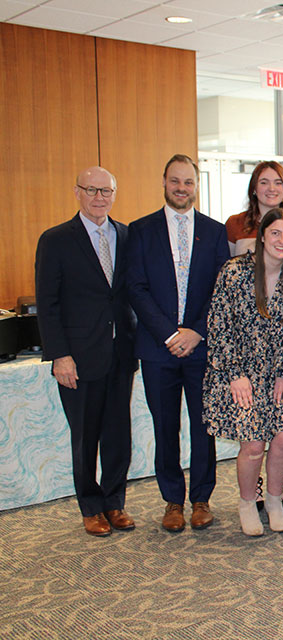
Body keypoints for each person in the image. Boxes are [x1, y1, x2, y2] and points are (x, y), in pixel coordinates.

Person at [127, 154, 230, 532]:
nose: (182, 188)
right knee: (165, 426)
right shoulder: (140, 230)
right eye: (175, 181)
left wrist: (196, 331)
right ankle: (173, 500)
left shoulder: (215, 232)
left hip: (202, 348)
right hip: (158, 349)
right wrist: (169, 334)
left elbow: (221, 291)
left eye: (188, 182)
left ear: (197, 185)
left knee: (204, 426)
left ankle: (201, 498)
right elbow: (135, 288)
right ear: (164, 182)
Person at [35, 166, 138, 537]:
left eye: (106, 191)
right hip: (77, 357)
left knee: (118, 434)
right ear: (77, 192)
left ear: (114, 193)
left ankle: (114, 502)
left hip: (121, 352)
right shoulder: (57, 240)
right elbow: (47, 303)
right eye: (91, 190)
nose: (99, 197)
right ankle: (90, 507)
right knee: (85, 435)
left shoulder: (127, 235)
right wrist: (59, 355)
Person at [203, 208, 283, 536]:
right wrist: (235, 374)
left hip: (277, 373)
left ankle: (274, 499)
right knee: (253, 444)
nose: (282, 240)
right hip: (239, 374)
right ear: (262, 235)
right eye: (275, 233)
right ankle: (248, 502)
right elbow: (218, 324)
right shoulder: (234, 271)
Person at [225, 160, 283, 512]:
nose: (271, 188)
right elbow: (225, 314)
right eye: (264, 181)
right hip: (244, 353)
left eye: (278, 182)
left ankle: (280, 485)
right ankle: (252, 495)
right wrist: (235, 371)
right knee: (254, 437)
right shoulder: (234, 231)